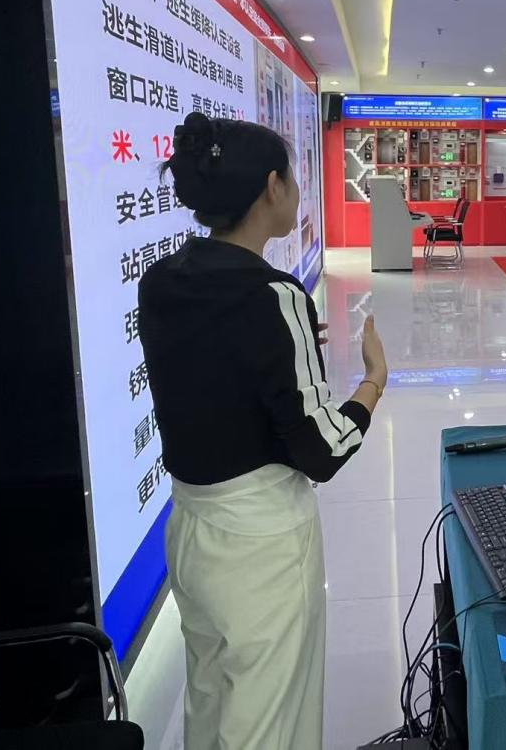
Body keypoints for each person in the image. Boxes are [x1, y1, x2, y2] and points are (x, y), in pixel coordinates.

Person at [138, 112, 389, 749]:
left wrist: (285, 351)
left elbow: (210, 368)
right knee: (268, 722)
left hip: (191, 528)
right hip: (261, 543)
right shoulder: (273, 296)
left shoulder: (161, 280)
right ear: (271, 188)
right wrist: (372, 383)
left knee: (211, 698)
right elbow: (321, 450)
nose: (298, 192)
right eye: (293, 179)